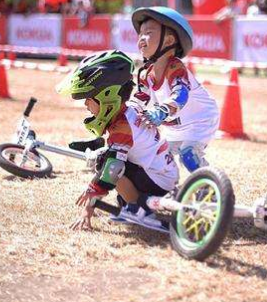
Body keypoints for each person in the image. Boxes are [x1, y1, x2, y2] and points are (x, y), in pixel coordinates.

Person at [57, 50, 179, 233]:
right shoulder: (128, 111)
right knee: (108, 159)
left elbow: (113, 170)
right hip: (162, 173)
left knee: (106, 162)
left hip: (158, 180)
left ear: (107, 97)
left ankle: (140, 211)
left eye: (88, 100)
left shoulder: (121, 127)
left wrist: (93, 191)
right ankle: (134, 201)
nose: (85, 105)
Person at [132, 6, 220, 173]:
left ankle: (209, 187)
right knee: (157, 158)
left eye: (148, 33)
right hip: (174, 127)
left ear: (169, 41)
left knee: (188, 156)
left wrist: (162, 111)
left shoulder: (175, 67)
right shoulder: (146, 75)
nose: (141, 39)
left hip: (199, 121)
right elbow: (138, 101)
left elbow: (181, 94)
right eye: (140, 34)